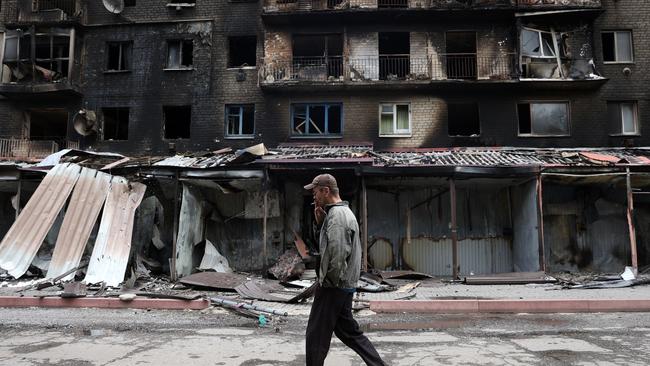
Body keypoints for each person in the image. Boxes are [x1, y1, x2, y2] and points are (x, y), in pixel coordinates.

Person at [304, 174, 385, 366]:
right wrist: (320, 223)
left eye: (315, 192)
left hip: (335, 285)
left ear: (325, 191)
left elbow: (338, 255)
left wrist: (328, 284)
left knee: (316, 336)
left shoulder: (337, 217)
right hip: (344, 283)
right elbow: (330, 247)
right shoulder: (337, 214)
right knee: (348, 332)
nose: (313, 197)